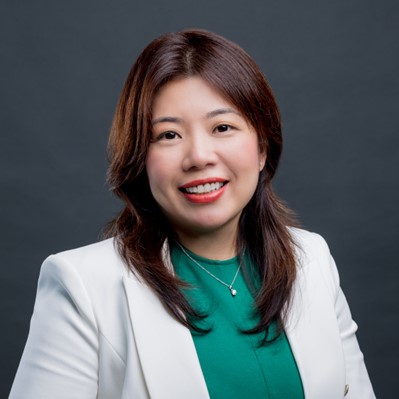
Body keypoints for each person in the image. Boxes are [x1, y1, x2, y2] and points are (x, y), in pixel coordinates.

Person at [9, 29, 375, 399]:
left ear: (262, 148)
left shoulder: (312, 260)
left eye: (222, 127)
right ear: (140, 158)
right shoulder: (82, 286)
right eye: (169, 135)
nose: (199, 156)